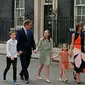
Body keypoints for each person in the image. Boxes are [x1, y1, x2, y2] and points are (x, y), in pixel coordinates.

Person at [16, 19, 36, 84]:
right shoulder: (19, 32)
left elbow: (32, 41)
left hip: (29, 51)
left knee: (27, 64)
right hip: (22, 51)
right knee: (24, 65)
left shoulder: (30, 32)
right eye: (30, 25)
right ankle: (26, 78)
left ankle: (21, 74)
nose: (31, 26)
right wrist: (18, 50)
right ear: (26, 25)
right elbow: (17, 42)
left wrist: (34, 48)